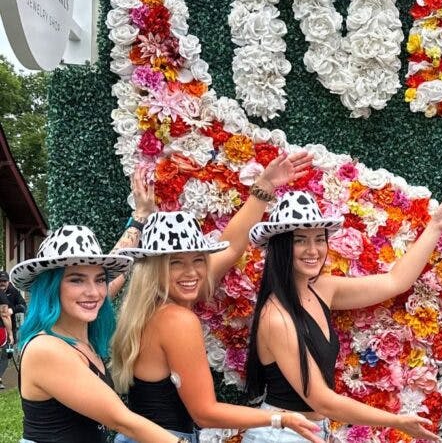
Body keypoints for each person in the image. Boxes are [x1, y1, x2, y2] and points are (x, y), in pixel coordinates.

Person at [111, 152, 324, 442]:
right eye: (176, 262)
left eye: (198, 260)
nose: (192, 272)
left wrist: (265, 186)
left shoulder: (148, 310)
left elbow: (232, 246)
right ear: (156, 270)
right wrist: (279, 418)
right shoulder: (177, 319)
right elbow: (205, 412)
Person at [243, 190, 442, 442]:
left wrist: (435, 227)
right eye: (300, 240)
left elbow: (395, 281)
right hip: (280, 435)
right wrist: (397, 421)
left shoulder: (322, 288)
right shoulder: (276, 316)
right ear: (281, 246)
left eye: (319, 239)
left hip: (310, 430)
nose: (312, 250)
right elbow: (323, 401)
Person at [12, 225, 191, 443]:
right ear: (51, 286)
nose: (94, 292)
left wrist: (137, 222)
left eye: (99, 279)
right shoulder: (47, 349)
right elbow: (122, 420)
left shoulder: (80, 338)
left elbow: (106, 288)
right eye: (76, 280)